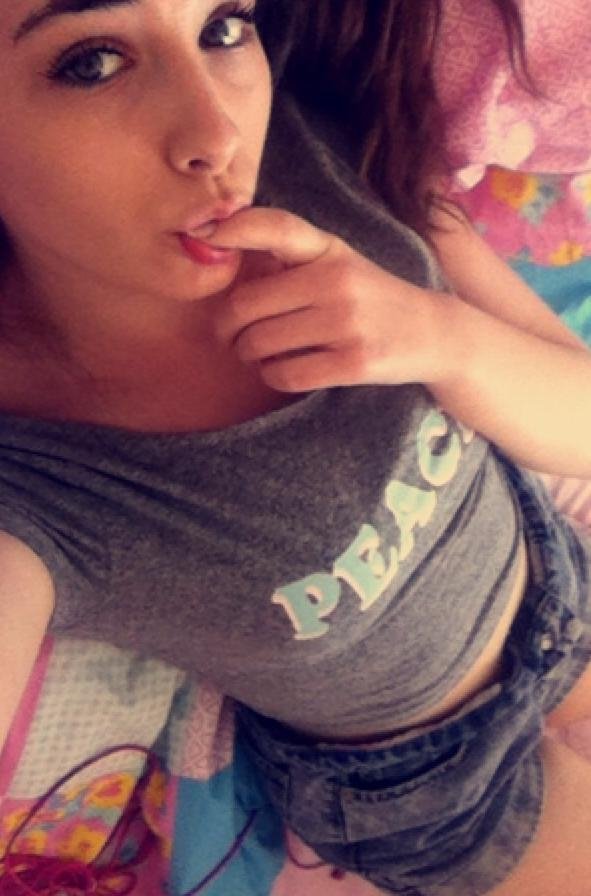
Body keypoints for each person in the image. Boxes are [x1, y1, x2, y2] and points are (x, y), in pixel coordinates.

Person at [0, 1, 590, 895]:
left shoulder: (305, 151)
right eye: (92, 63)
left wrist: (435, 336)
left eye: (221, 27)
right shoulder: (31, 475)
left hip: (552, 580)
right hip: (434, 782)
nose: (216, 132)